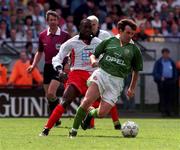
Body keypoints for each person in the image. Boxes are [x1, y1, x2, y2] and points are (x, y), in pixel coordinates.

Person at [69, 18, 143, 137]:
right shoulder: (109, 41)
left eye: (132, 34)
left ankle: (90, 115)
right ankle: (73, 131)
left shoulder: (135, 50)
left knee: (102, 113)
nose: (130, 36)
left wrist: (131, 88)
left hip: (117, 82)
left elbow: (136, 71)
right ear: (120, 30)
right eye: (128, 33)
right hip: (101, 74)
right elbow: (94, 54)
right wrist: (93, 61)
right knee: (87, 101)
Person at [39, 18, 102, 136]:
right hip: (76, 75)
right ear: (80, 28)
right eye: (85, 27)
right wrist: (59, 70)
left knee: (101, 103)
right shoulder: (71, 42)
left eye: (90, 27)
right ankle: (46, 129)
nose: (88, 30)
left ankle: (88, 119)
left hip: (93, 76)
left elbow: (105, 57)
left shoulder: (98, 42)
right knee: (65, 101)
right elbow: (57, 58)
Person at [27, 10, 70, 126]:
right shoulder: (42, 35)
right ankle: (56, 119)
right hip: (47, 67)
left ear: (58, 21)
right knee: (48, 96)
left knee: (51, 93)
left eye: (55, 19)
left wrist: (68, 63)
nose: (53, 22)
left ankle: (61, 107)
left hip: (59, 67)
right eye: (51, 20)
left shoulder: (65, 35)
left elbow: (71, 51)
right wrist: (33, 65)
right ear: (47, 21)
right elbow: (39, 52)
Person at [87, 15, 121, 130]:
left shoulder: (105, 35)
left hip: (104, 70)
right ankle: (91, 124)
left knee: (109, 97)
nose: (91, 27)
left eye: (93, 24)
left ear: (98, 25)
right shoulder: (83, 36)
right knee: (91, 99)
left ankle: (116, 123)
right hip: (88, 70)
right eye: (89, 24)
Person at [153, 48, 177, 117]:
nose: (166, 54)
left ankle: (169, 111)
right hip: (162, 82)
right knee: (162, 97)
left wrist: (174, 80)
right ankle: (163, 111)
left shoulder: (171, 62)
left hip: (170, 82)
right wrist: (159, 78)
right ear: (162, 54)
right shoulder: (158, 62)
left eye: (167, 53)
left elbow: (175, 72)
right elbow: (155, 72)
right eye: (165, 53)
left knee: (170, 97)